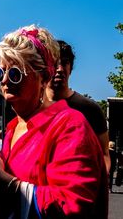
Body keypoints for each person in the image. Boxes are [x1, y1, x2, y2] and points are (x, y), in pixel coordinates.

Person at [0, 24, 108, 219]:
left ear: (44, 78)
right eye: (0, 72)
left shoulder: (69, 126)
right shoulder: (14, 126)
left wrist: (5, 180)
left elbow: (72, 206)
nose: (5, 80)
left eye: (15, 73)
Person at [46, 40, 111, 173]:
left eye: (64, 63)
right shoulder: (33, 107)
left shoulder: (91, 109)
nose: (60, 69)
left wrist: (96, 184)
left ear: (70, 68)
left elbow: (104, 154)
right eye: (54, 63)